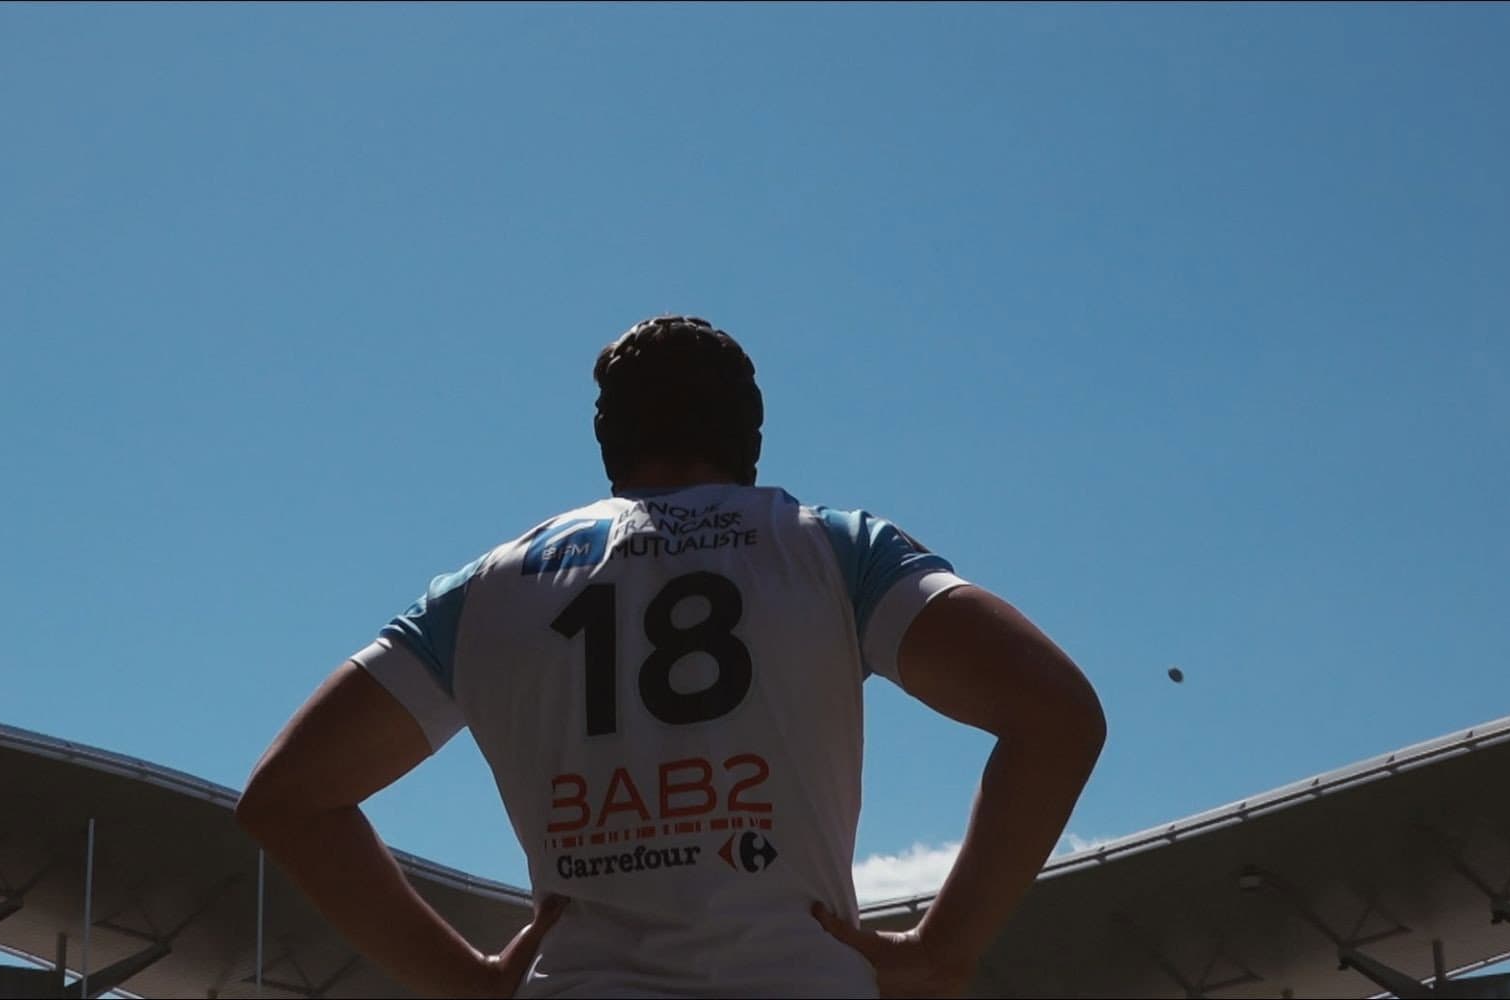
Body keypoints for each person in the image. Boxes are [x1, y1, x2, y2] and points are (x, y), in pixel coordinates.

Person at [237, 316, 1106, 998]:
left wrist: (467, 981)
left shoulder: (485, 592)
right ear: (749, 436)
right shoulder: (831, 552)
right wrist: (945, 949)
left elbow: (288, 797)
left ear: (607, 440)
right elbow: (1057, 714)